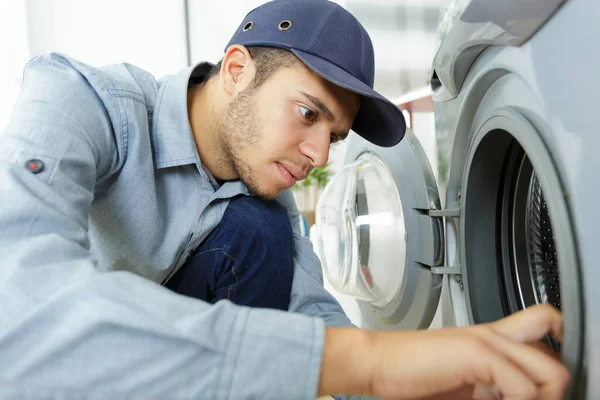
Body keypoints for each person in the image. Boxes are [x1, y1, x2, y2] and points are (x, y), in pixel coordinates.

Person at [0, 0, 570, 399]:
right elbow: (17, 303)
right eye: (308, 113)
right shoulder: (83, 102)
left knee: (259, 229)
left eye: (335, 136)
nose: (320, 155)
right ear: (236, 69)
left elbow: (313, 314)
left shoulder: (265, 204)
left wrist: (427, 384)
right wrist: (372, 365)